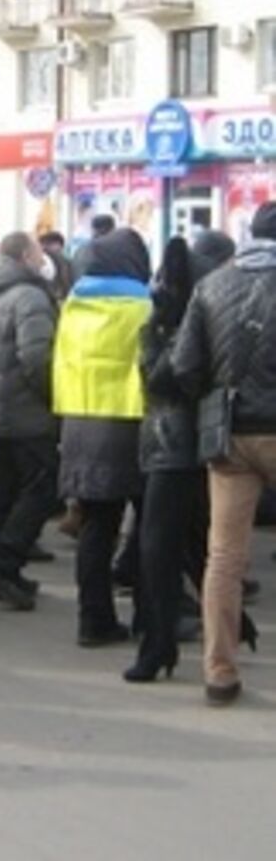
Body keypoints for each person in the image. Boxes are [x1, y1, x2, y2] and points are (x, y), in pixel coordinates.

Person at [172, 203, 276, 706]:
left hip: (229, 433)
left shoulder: (212, 285)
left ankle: (219, 670)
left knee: (225, 557)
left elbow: (185, 366)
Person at [125, 236, 229, 683]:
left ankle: (160, 644)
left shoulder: (167, 325)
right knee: (172, 547)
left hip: (172, 446)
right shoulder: (172, 326)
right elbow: (168, 380)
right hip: (180, 445)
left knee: (178, 547)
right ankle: (159, 642)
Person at [54, 228, 152, 647]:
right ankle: (153, 616)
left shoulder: (73, 308)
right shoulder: (144, 307)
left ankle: (93, 620)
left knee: (96, 527)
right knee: (151, 527)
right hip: (135, 424)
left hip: (80, 422)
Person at [0, 233, 59, 610]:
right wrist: (53, 399)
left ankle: (1, 568)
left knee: (2, 491)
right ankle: (3, 565)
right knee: (41, 488)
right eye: (38, 252)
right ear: (26, 254)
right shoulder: (30, 296)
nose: (43, 258)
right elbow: (37, 357)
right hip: (27, 412)